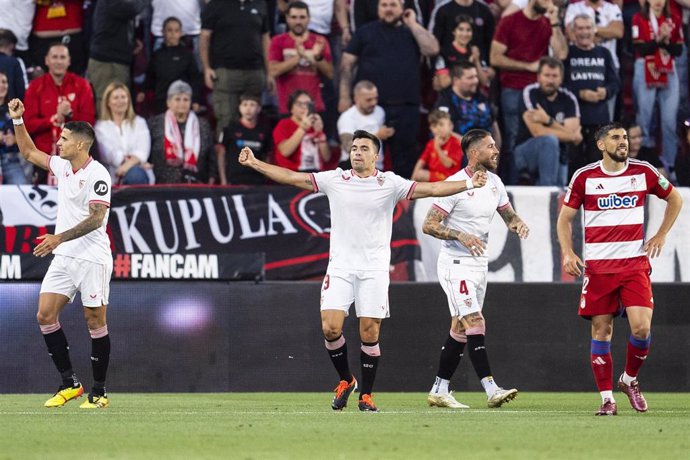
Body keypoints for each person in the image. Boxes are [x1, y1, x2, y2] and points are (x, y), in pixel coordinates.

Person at [239, 129, 488, 411]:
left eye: (363, 148)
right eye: (354, 148)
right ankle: (347, 379)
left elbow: (431, 188)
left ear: (376, 155)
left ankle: (366, 396)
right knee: (330, 327)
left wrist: (467, 183)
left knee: (369, 333)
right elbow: (293, 177)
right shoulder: (336, 179)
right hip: (341, 267)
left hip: (374, 269)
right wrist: (255, 163)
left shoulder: (390, 183)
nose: (357, 152)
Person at [557, 122, 683, 416]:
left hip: (633, 264)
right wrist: (567, 252)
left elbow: (674, 198)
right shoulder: (584, 177)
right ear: (601, 144)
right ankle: (606, 399)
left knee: (642, 328)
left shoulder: (644, 171)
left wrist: (661, 233)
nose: (622, 142)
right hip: (599, 268)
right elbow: (565, 219)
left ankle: (628, 379)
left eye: (625, 137)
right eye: (615, 138)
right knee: (602, 331)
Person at [8, 97, 114, 409]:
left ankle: (99, 391)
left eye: (64, 138)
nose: (59, 141)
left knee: (94, 320)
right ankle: (70, 383)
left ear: (81, 145)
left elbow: (97, 218)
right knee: (44, 314)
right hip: (65, 256)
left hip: (92, 257)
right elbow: (28, 152)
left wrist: (58, 238)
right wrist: (17, 120)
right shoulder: (63, 166)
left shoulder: (98, 175)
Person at [422, 128, 528, 409]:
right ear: (474, 153)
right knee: (475, 321)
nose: (496, 150)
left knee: (459, 327)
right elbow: (429, 225)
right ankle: (491, 388)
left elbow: (508, 214)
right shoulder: (454, 184)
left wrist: (517, 223)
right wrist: (461, 235)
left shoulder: (495, 182)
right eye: (490, 146)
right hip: (455, 264)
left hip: (479, 265)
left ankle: (439, 389)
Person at [339, 0, 439, 178]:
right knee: (366, 154)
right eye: (384, 5)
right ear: (378, 9)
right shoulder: (365, 31)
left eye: (393, 5)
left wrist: (413, 23)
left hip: (406, 105)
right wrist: (344, 96)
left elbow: (432, 49)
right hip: (372, 107)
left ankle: (404, 203)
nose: (388, 9)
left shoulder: (412, 31)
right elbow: (347, 64)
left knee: (406, 157)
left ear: (402, 8)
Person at [490, 0, 567, 165]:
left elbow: (561, 54)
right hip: (513, 89)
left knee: (544, 138)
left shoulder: (547, 23)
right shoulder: (509, 21)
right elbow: (494, 58)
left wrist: (555, 22)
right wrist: (527, 66)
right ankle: (510, 186)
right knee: (513, 139)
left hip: (539, 93)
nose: (549, 3)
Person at [24, 43, 95, 184]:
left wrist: (69, 116)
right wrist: (53, 119)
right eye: (54, 57)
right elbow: (28, 125)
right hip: (43, 158)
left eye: (62, 57)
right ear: (46, 60)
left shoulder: (82, 85)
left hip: (76, 157)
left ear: (69, 61)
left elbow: (89, 123)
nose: (58, 61)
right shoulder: (35, 87)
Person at [200, 0, 271, 134]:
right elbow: (204, 37)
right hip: (225, 72)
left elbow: (265, 38)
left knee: (252, 121)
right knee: (226, 122)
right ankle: (227, 155)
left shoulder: (260, 4)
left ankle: (251, 155)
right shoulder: (216, 4)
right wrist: (206, 68)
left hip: (255, 73)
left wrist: (270, 72)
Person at [632, 0, 684, 180]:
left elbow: (678, 50)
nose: (658, 1)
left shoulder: (674, 18)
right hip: (645, 66)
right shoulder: (638, 18)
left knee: (669, 122)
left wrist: (665, 41)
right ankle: (642, 165)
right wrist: (658, 40)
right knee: (644, 121)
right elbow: (640, 48)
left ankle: (669, 167)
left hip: (668, 67)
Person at [514, 57, 582, 186]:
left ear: (561, 78)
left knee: (561, 187)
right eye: (546, 75)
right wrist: (571, 135)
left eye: (555, 76)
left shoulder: (569, 98)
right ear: (538, 77)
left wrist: (548, 120)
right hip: (526, 152)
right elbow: (538, 132)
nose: (550, 80)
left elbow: (572, 135)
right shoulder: (529, 92)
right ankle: (548, 191)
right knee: (549, 141)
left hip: (559, 154)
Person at [563, 14, 619, 170]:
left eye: (588, 27)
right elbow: (561, 84)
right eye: (580, 28)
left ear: (595, 30)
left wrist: (606, 92)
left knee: (597, 165)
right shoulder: (567, 54)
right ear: (573, 32)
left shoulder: (604, 53)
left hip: (599, 119)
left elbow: (615, 83)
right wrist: (580, 93)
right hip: (573, 120)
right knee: (574, 164)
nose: (584, 32)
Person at [268, 1, 334, 116]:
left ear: (308, 19)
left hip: (314, 106)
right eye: (294, 17)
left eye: (302, 17)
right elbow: (273, 70)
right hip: (287, 107)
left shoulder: (319, 41)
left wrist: (317, 57)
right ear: (287, 18)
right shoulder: (278, 41)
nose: (298, 22)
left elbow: (330, 73)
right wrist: (299, 56)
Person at [148, 80, 216, 184]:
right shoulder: (155, 123)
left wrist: (212, 177)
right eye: (177, 99)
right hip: (163, 184)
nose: (182, 103)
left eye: (186, 99)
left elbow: (211, 155)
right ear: (168, 102)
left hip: (196, 183)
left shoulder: (202, 125)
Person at [138, 16, 202, 115]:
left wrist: (195, 100)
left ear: (180, 33)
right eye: (169, 30)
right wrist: (142, 91)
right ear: (163, 32)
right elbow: (149, 77)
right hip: (161, 102)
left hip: (182, 102)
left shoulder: (187, 55)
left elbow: (195, 78)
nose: (173, 34)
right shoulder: (157, 55)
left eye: (176, 30)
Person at [95, 81, 152, 185]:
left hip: (139, 173)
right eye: (116, 98)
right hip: (112, 176)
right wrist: (132, 162)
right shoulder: (100, 127)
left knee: (135, 175)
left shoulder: (139, 122)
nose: (120, 101)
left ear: (129, 100)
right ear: (108, 102)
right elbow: (108, 154)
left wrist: (127, 166)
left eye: (123, 97)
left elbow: (143, 151)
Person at [336, 80, 393, 170]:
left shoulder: (380, 111)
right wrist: (377, 135)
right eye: (369, 100)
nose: (373, 103)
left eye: (375, 98)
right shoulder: (347, 117)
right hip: (352, 166)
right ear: (356, 99)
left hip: (376, 166)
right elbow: (349, 147)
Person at [272, 89, 331, 172]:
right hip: (292, 173)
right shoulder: (283, 124)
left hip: (315, 173)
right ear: (291, 108)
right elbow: (285, 152)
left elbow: (326, 158)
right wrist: (303, 128)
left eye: (308, 104)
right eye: (300, 104)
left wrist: (320, 132)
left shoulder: (314, 124)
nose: (304, 107)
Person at [217, 93, 269, 185]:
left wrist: (266, 178)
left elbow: (267, 157)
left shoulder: (264, 130)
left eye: (252, 104)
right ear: (239, 107)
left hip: (258, 182)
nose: (248, 108)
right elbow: (221, 155)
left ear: (259, 108)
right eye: (245, 104)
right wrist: (223, 180)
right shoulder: (230, 129)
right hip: (234, 181)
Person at [432, 15, 490, 91]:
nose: (464, 34)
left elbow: (485, 82)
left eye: (468, 30)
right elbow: (444, 83)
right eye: (461, 29)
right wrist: (467, 63)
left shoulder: (475, 51)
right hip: (450, 98)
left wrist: (476, 61)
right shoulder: (445, 52)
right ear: (454, 31)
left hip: (472, 97)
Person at [412, 110, 462, 182]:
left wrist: (437, 148)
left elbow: (448, 165)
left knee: (420, 175)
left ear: (451, 126)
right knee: (417, 175)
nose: (439, 129)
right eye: (435, 126)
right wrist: (412, 181)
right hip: (435, 177)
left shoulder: (455, 142)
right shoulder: (431, 143)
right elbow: (421, 161)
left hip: (449, 179)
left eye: (442, 125)